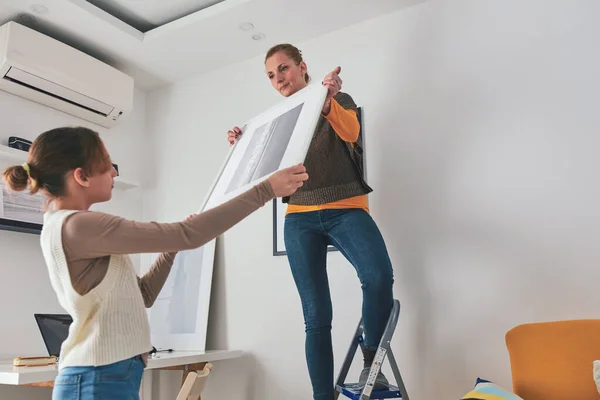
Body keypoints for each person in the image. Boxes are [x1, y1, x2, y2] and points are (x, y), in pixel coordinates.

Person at [2, 126, 308, 400]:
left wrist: (172, 247)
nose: (114, 173)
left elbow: (145, 294)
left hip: (106, 375)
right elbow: (188, 235)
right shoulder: (79, 226)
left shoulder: (70, 227)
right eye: (108, 165)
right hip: (97, 379)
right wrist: (266, 190)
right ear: (81, 176)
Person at [226, 44, 395, 399]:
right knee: (316, 317)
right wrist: (244, 146)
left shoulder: (335, 97)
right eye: (271, 75)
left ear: (302, 67)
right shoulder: (279, 118)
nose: (278, 79)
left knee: (378, 276)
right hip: (299, 219)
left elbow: (351, 132)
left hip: (346, 207)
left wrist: (329, 102)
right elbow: (263, 171)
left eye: (283, 69)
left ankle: (370, 365)